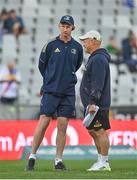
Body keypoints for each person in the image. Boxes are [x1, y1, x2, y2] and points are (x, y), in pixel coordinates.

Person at [26, 15, 83, 171]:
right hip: (51, 90)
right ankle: (32, 156)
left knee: (63, 125)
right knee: (43, 122)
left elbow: (76, 66)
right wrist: (49, 80)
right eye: (63, 25)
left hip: (68, 92)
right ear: (59, 26)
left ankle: (58, 160)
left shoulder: (77, 48)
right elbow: (41, 66)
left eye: (68, 26)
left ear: (73, 28)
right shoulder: (50, 45)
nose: (65, 28)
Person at [79, 30, 111, 171]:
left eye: (85, 41)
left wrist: (92, 102)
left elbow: (97, 83)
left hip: (97, 104)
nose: (83, 44)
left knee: (99, 132)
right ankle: (101, 161)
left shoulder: (98, 59)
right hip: (93, 103)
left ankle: (104, 163)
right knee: (93, 131)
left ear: (93, 41)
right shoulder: (96, 58)